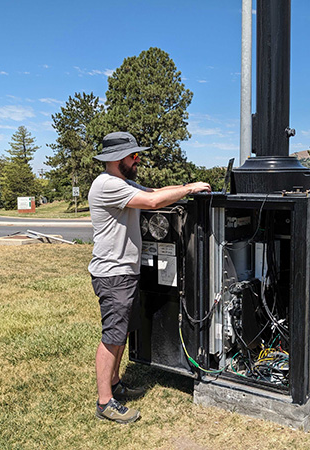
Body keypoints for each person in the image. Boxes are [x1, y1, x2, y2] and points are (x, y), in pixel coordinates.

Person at [88, 131, 211, 424]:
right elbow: (153, 203)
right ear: (119, 159)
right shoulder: (107, 185)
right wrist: (190, 187)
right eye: (133, 155)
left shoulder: (121, 182)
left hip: (125, 272)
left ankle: (116, 384)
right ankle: (105, 401)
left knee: (123, 333)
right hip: (113, 273)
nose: (137, 159)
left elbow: (155, 191)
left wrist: (185, 188)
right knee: (112, 336)